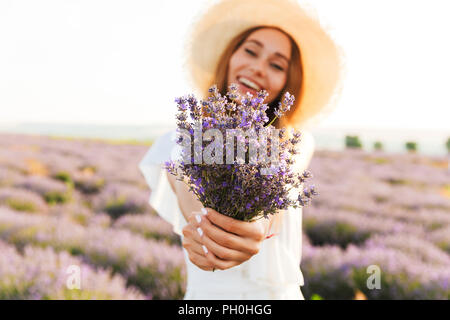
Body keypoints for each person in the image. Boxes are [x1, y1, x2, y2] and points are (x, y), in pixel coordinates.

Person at [139, 0, 345, 300]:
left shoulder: (294, 142)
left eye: (276, 65)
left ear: (288, 82)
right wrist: (206, 227)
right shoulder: (178, 140)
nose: (258, 68)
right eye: (250, 51)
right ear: (229, 56)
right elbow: (184, 179)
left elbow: (280, 184)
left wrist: (257, 223)